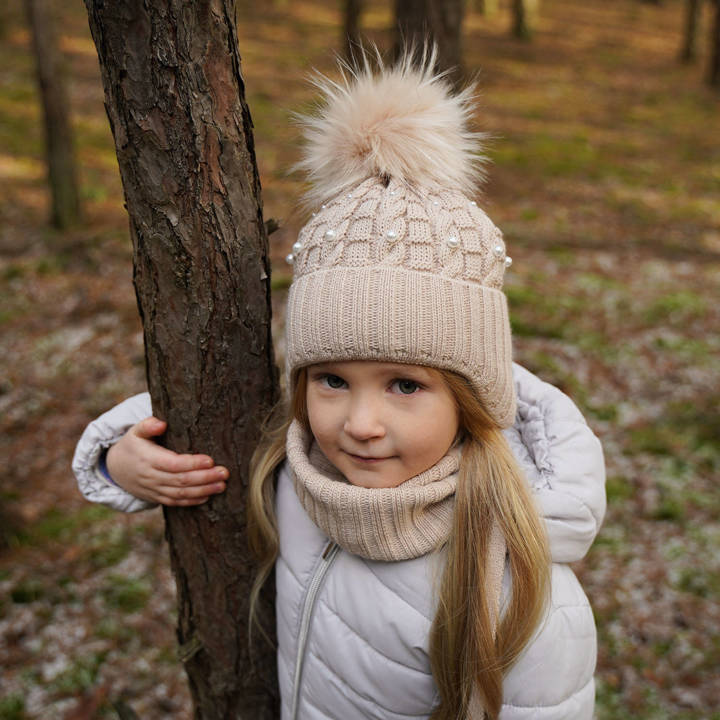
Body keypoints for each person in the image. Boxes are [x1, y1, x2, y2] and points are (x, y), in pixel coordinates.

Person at [73, 51, 606, 720]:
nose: (359, 423)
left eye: (405, 385)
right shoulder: (303, 468)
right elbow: (215, 412)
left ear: (472, 398)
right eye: (331, 378)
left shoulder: (516, 592)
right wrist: (124, 453)